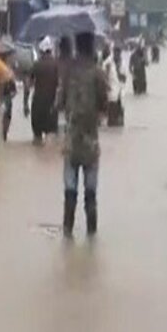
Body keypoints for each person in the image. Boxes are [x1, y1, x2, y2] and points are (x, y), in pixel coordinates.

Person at [57, 32, 108, 237]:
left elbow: (59, 104)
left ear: (77, 47)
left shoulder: (68, 72)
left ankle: (68, 232)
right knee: (90, 191)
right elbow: (105, 105)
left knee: (70, 190)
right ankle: (91, 234)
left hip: (71, 139)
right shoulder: (98, 73)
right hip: (90, 140)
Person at [23, 37, 59, 145]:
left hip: (37, 106)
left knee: (37, 140)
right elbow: (60, 87)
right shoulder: (56, 65)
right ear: (51, 50)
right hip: (51, 106)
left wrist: (25, 104)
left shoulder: (36, 65)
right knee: (50, 141)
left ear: (41, 51)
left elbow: (27, 85)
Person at [101, 44, 124, 127]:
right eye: (116, 52)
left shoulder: (121, 62)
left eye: (119, 53)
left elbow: (124, 77)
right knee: (112, 119)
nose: (118, 55)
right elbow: (104, 77)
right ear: (113, 52)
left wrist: (120, 74)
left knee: (120, 120)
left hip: (119, 93)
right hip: (111, 93)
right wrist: (107, 87)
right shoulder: (108, 63)